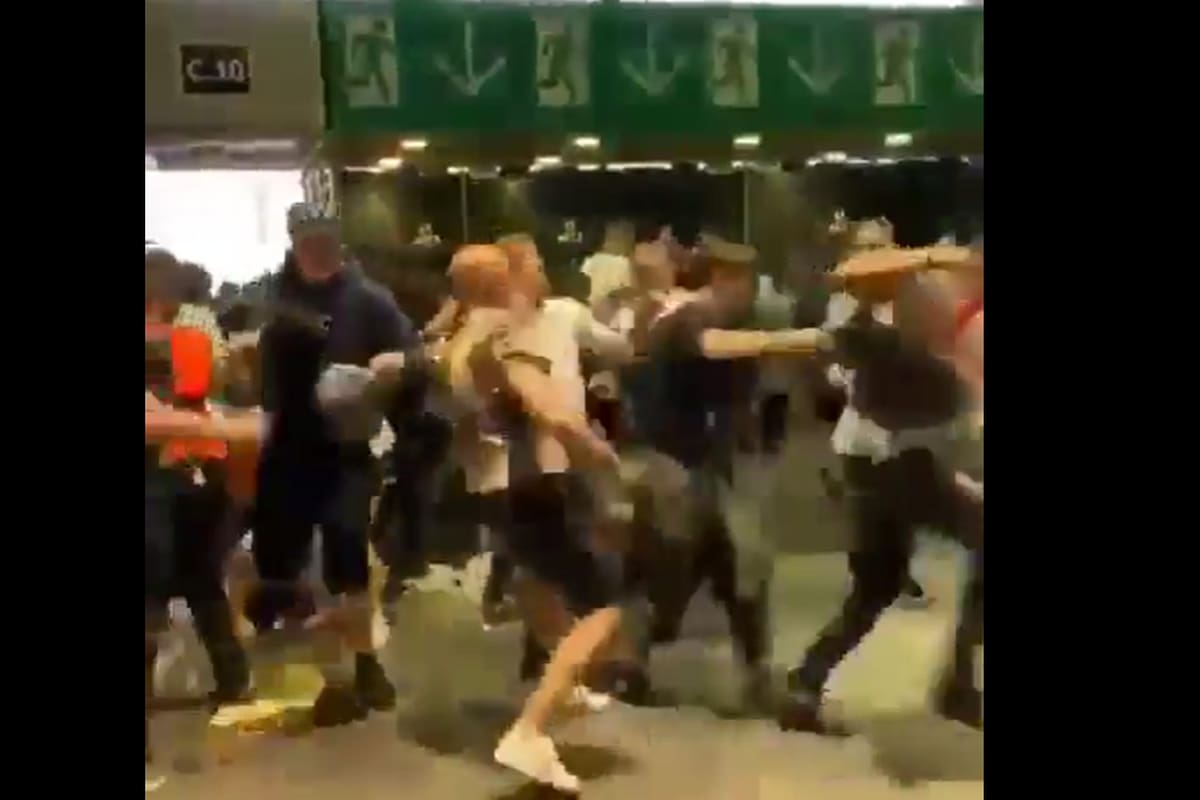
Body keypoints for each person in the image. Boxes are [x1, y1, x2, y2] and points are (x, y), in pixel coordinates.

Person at [777, 246, 984, 736]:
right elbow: (936, 421)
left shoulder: (869, 338)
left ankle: (806, 681)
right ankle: (958, 684)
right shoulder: (896, 350)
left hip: (877, 473)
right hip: (900, 472)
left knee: (876, 587)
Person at [441, 244, 623, 792]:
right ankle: (531, 729)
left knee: (534, 579)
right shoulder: (501, 332)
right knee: (604, 604)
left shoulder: (461, 335)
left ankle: (560, 686)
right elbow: (542, 405)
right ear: (497, 279)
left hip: (494, 485)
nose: (530, 274)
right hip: (532, 481)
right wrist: (598, 452)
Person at [248, 203, 421, 727]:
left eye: (326, 240)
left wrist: (397, 367)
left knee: (347, 553)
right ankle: (331, 672)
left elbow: (417, 356)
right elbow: (250, 372)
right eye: (308, 240)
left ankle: (364, 665)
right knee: (286, 565)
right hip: (286, 449)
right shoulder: (267, 297)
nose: (318, 249)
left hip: (347, 448)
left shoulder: (367, 299)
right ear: (294, 241)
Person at [635, 238, 827, 709]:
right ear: (723, 278)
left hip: (713, 468)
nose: (753, 292)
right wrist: (796, 339)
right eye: (745, 281)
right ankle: (625, 660)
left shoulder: (726, 319)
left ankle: (755, 668)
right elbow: (712, 349)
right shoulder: (690, 318)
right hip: (678, 466)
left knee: (738, 565)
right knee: (670, 572)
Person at [145, 248, 257, 769]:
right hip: (200, 468)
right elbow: (217, 389)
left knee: (150, 595)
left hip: (158, 474)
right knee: (202, 580)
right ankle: (234, 682)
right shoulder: (192, 337)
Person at [580, 220, 635, 308]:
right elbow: (629, 288)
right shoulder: (624, 263)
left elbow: (584, 282)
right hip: (613, 308)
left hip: (593, 305)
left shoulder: (593, 259)